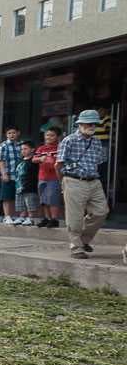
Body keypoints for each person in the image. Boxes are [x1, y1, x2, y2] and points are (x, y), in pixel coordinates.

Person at [56, 110, 108, 259]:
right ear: (80, 124)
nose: (91, 126)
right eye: (88, 123)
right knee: (75, 217)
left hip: (94, 181)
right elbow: (58, 165)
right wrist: (63, 183)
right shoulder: (69, 140)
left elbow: (99, 162)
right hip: (73, 180)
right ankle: (76, 247)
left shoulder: (97, 141)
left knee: (101, 212)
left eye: (94, 123)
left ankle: (83, 240)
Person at [33, 127, 62, 228]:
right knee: (43, 199)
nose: (49, 137)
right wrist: (41, 158)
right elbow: (33, 159)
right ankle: (47, 218)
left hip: (54, 177)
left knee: (53, 198)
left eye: (52, 135)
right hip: (42, 177)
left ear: (58, 137)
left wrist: (54, 161)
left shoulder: (60, 148)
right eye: (47, 135)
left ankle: (54, 219)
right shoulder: (41, 148)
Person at [0, 126, 23, 225]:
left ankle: (15, 216)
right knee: (7, 196)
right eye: (9, 133)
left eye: (13, 133)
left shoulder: (21, 145)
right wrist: (4, 174)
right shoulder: (3, 146)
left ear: (18, 133)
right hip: (8, 174)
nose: (11, 135)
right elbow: (1, 161)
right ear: (6, 135)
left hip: (19, 176)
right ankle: (7, 216)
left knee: (17, 196)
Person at [12, 141, 41, 226]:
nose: (23, 151)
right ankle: (22, 217)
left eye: (25, 149)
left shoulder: (34, 161)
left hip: (30, 186)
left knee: (30, 203)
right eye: (22, 149)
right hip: (19, 186)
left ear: (32, 149)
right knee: (20, 203)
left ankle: (31, 218)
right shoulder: (20, 161)